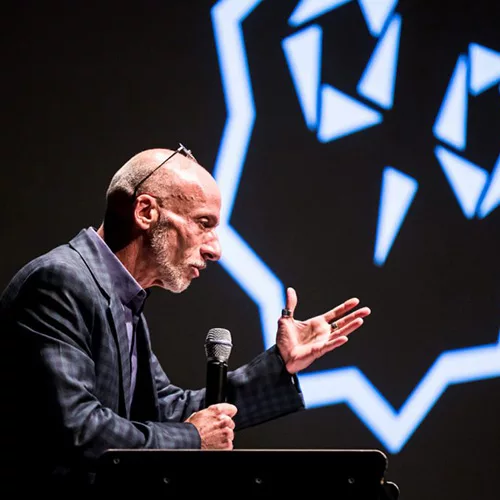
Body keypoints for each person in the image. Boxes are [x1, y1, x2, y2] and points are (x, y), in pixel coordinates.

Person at [0, 144, 371, 492]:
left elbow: (168, 410)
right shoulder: (60, 283)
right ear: (146, 213)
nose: (215, 250)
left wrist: (280, 365)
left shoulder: (122, 299)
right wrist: (193, 441)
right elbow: (77, 431)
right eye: (204, 223)